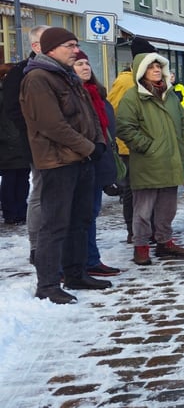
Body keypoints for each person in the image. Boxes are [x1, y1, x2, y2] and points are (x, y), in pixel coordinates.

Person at [20, 28, 109, 303]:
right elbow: (51, 124)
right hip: (57, 161)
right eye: (70, 45)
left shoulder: (68, 76)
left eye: (76, 44)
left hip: (81, 159)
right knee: (55, 224)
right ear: (51, 49)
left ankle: (75, 273)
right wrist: (88, 147)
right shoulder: (38, 78)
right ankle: (47, 284)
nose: (75, 50)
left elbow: (89, 114)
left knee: (80, 220)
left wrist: (98, 142)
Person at [116, 45, 184, 265]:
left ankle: (164, 241)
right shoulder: (133, 97)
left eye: (159, 65)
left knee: (167, 207)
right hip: (148, 161)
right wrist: (147, 147)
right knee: (143, 208)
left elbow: (182, 122)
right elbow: (125, 127)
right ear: (141, 70)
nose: (157, 69)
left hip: (171, 159)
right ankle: (141, 246)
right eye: (151, 66)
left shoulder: (169, 95)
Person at [71, 49, 123, 277]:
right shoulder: (73, 94)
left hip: (99, 159)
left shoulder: (96, 93)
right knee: (80, 215)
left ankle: (91, 259)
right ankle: (78, 263)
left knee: (91, 213)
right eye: (78, 63)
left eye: (86, 63)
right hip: (82, 159)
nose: (85, 67)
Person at [108, 36, 159, 244]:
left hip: (152, 146)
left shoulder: (152, 80)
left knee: (151, 187)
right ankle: (133, 230)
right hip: (129, 146)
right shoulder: (125, 81)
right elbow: (114, 110)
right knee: (132, 189)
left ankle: (151, 227)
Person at [3, 25, 47, 253]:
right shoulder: (21, 72)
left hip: (61, 145)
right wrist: (33, 133)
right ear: (35, 45)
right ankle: (37, 247)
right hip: (34, 145)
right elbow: (12, 110)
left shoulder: (61, 69)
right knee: (39, 193)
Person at [0, 62, 31, 226]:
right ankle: (10, 213)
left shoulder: (22, 92)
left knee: (23, 178)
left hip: (22, 140)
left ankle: (21, 211)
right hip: (8, 145)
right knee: (10, 179)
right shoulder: (4, 94)